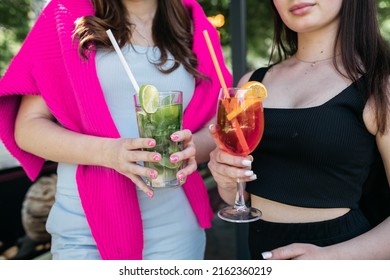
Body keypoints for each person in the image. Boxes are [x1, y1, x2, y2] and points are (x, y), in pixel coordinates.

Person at [0, 0, 232, 259]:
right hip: (85, 225)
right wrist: (109, 152)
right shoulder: (64, 15)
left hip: (175, 226)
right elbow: (27, 128)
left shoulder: (196, 25)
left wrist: (191, 148)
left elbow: (217, 124)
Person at [208, 0, 390, 259]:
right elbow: (243, 198)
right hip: (259, 253)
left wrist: (331, 259)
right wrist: (226, 180)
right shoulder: (250, 84)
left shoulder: (380, 85)